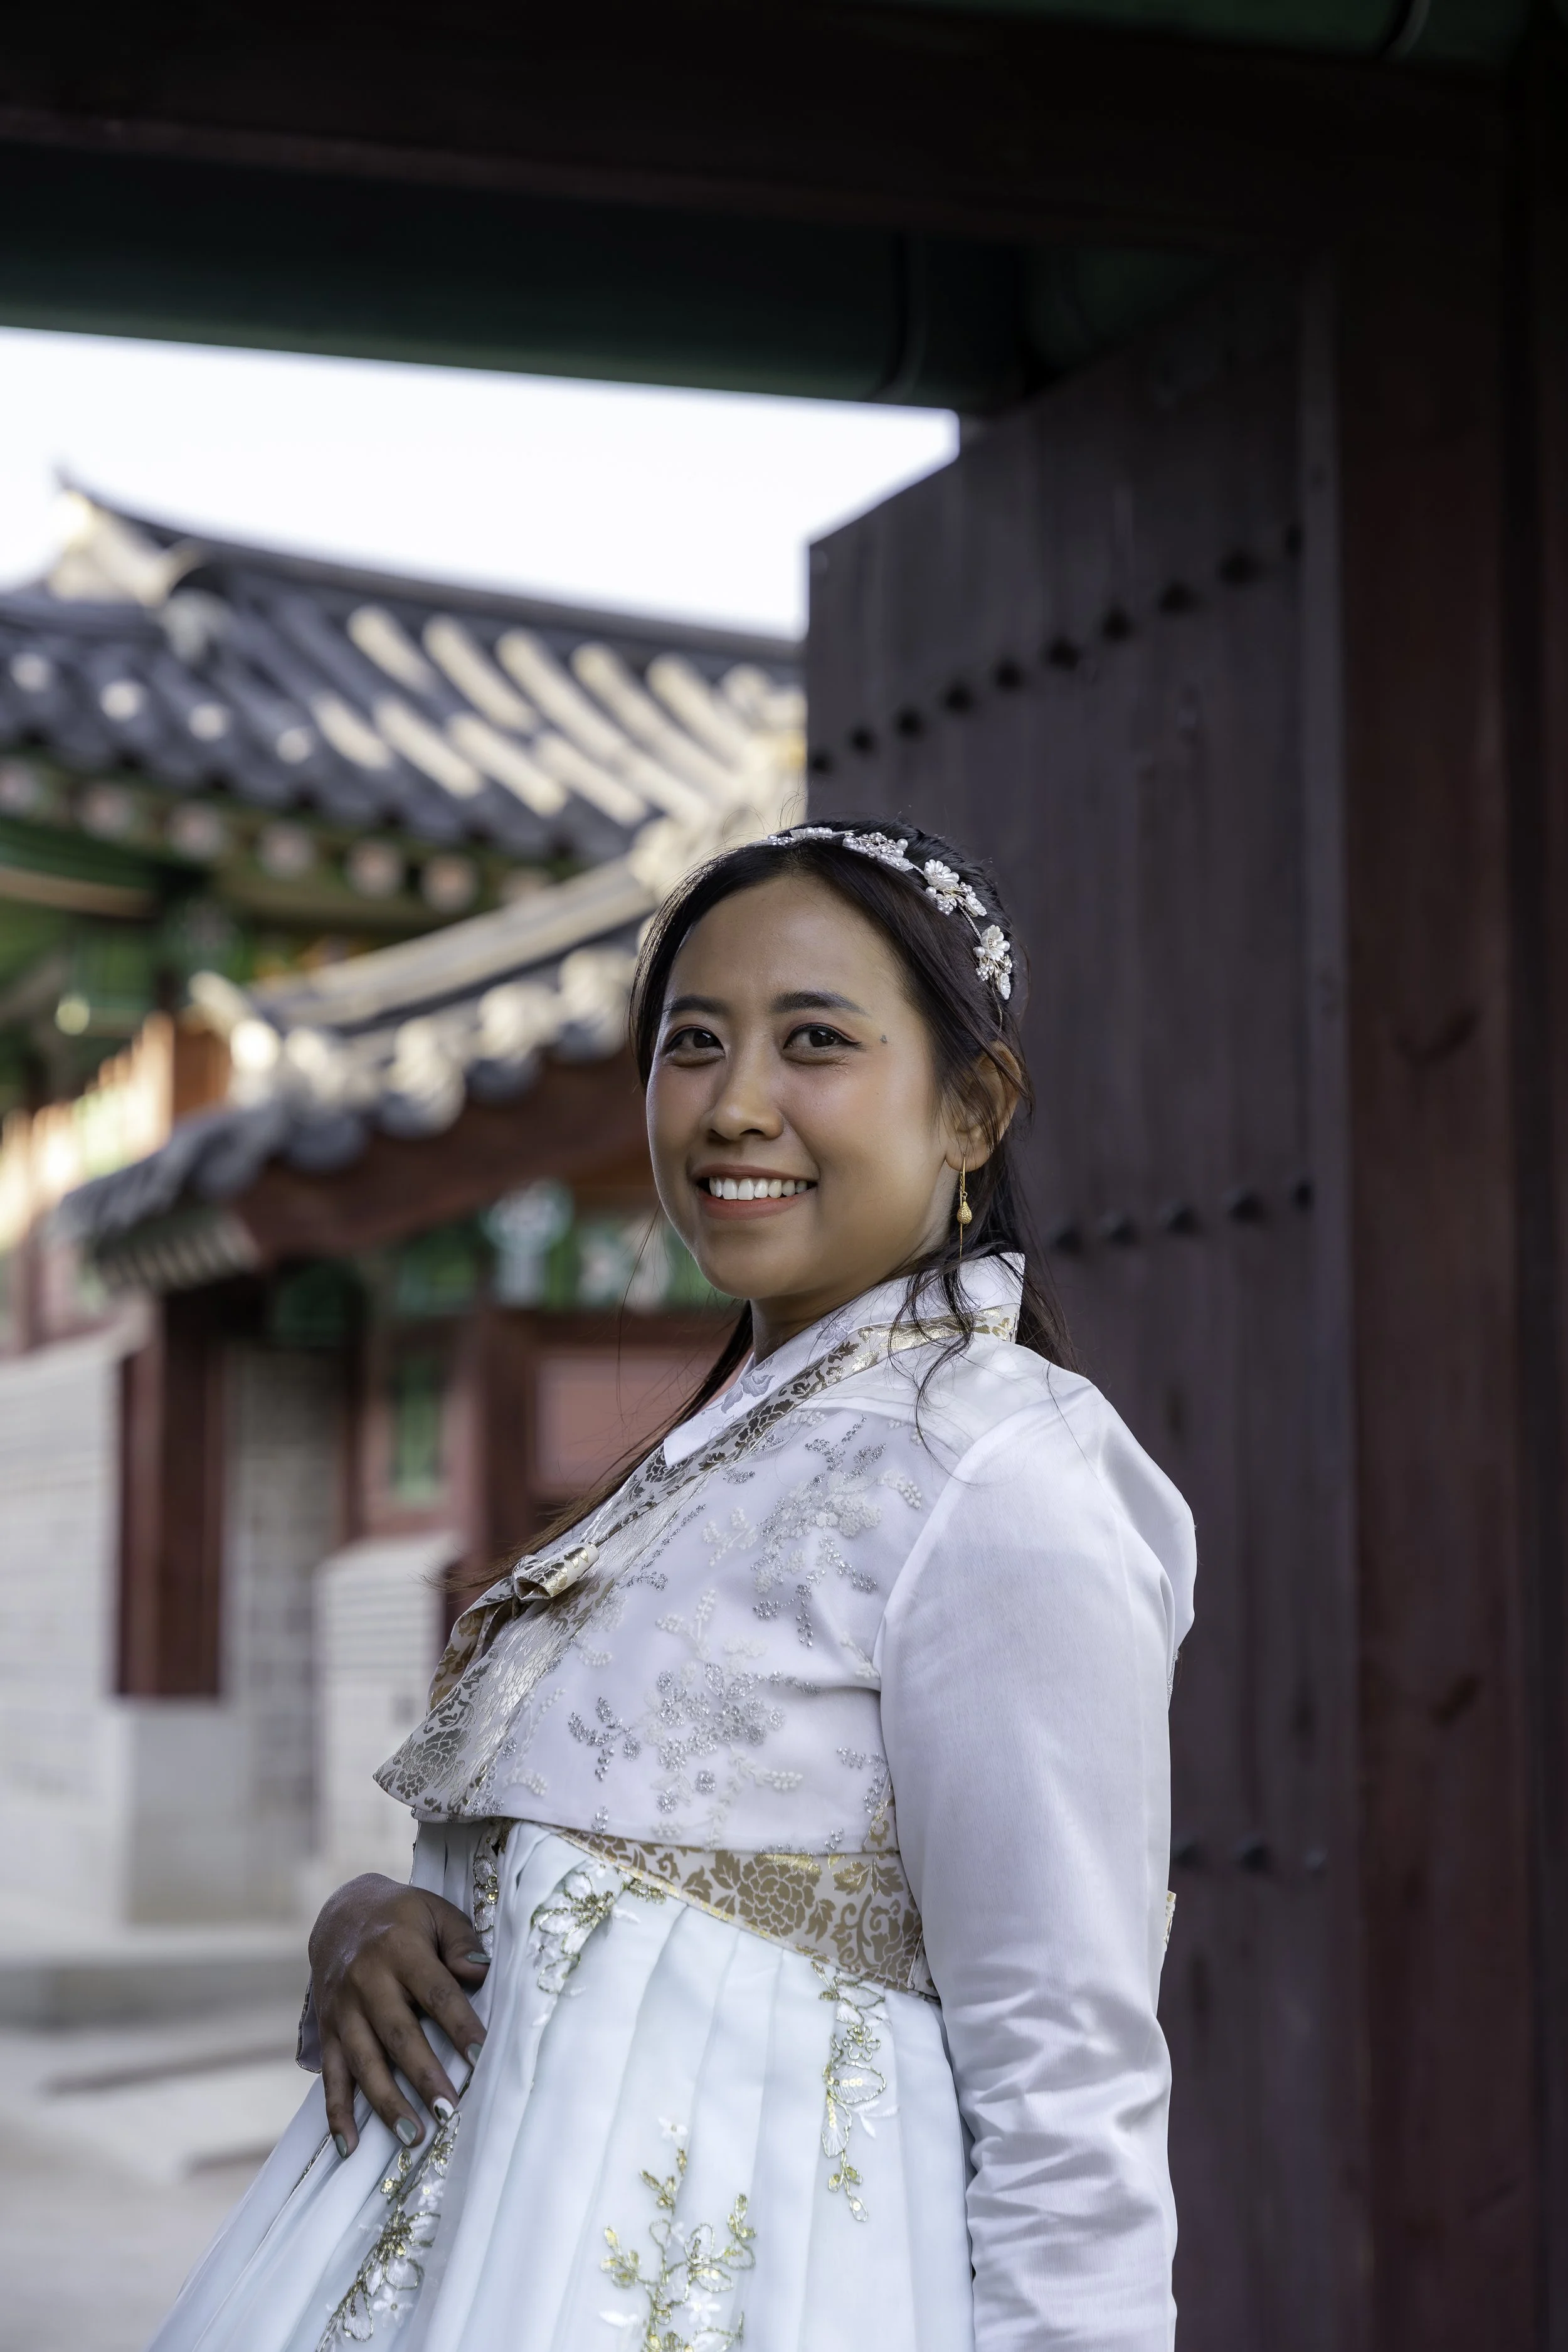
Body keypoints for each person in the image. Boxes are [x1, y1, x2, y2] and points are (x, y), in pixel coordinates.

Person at [147, 820, 1195, 2352]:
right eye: (690, 1044)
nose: (732, 1105)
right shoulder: (700, 1464)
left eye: (815, 1042)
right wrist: (380, 1922)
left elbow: (1064, 2076)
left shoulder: (999, 1473)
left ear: (971, 1108)